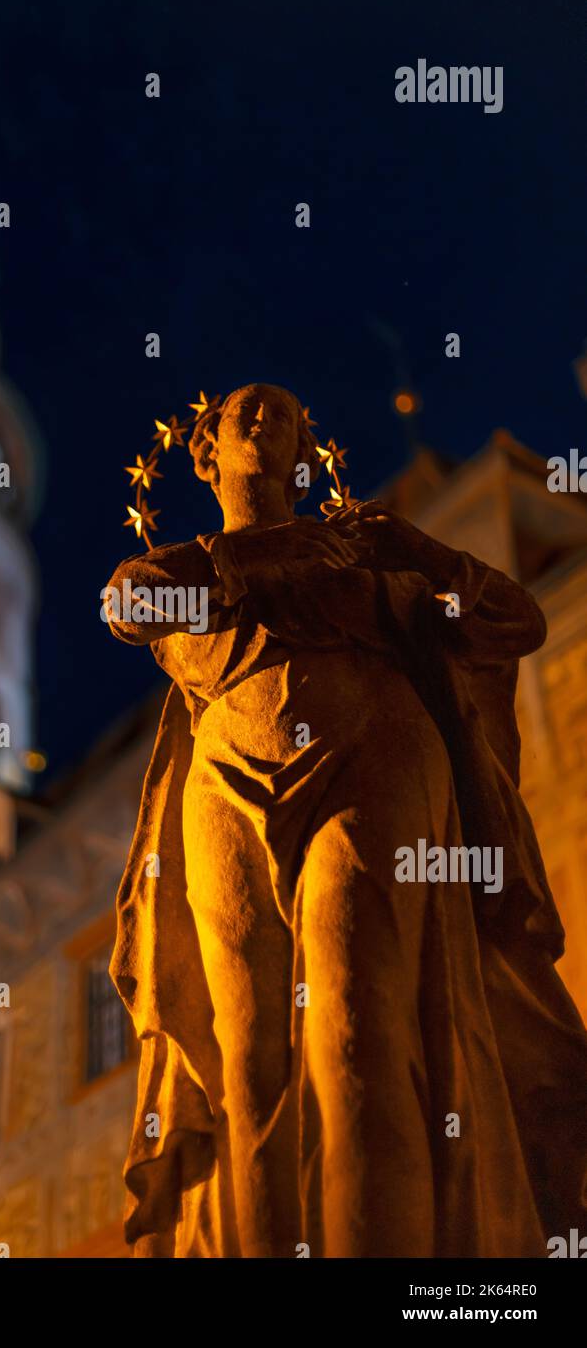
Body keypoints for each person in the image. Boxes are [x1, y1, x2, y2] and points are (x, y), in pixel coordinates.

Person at [103, 382, 587, 1258]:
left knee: (355, 1007)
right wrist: (262, 558)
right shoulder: (187, 567)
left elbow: (515, 621)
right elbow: (129, 604)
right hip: (224, 776)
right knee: (247, 1060)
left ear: (301, 452)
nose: (266, 419)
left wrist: (415, 547)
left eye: (284, 415)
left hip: (376, 750)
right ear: (204, 453)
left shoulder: (368, 561)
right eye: (247, 410)